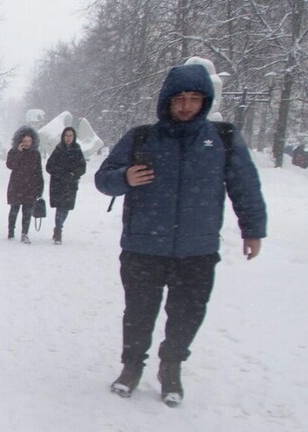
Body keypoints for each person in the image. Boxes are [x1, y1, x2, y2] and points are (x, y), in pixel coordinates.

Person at [95, 63, 267, 406]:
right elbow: (103, 179)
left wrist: (253, 230)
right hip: (143, 246)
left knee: (187, 315)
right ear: (167, 101)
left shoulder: (223, 138)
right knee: (139, 313)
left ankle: (170, 368)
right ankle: (131, 367)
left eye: (194, 98)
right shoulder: (141, 137)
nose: (186, 105)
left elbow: (244, 186)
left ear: (205, 101)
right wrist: (125, 177)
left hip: (197, 249)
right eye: (180, 98)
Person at [44, 126, 86, 244]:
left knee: (66, 208)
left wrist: (73, 174)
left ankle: (58, 227)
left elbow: (82, 168)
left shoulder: (77, 150)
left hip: (71, 185)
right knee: (60, 207)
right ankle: (58, 231)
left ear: (74, 137)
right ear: (63, 137)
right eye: (66, 136)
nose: (68, 138)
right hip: (58, 184)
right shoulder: (58, 149)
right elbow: (49, 166)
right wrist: (60, 173)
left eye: (70, 136)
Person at [5, 126, 43, 243]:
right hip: (16, 185)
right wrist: (18, 153)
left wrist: (40, 187)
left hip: (30, 186)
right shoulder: (13, 152)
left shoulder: (36, 154)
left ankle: (24, 233)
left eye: (29, 141)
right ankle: (11, 232)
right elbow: (10, 165)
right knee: (14, 210)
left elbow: (39, 171)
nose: (27, 143)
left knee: (27, 211)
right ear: (20, 141)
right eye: (25, 141)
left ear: (33, 141)